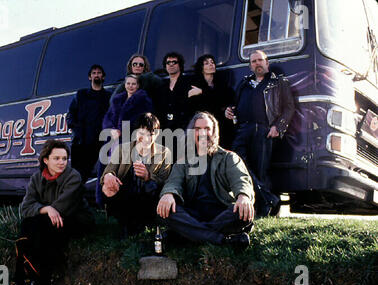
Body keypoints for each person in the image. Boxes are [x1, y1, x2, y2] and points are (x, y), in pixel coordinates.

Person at [2, 140, 95, 285]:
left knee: (37, 226)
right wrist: (45, 208)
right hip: (48, 219)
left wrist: (43, 209)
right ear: (46, 160)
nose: (61, 162)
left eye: (64, 159)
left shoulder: (73, 176)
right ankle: (25, 280)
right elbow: (25, 208)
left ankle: (33, 279)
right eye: (56, 158)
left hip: (77, 220)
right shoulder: (37, 178)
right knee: (28, 225)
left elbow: (62, 208)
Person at [156, 112, 254, 249]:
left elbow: (241, 180)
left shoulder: (229, 158)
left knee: (241, 212)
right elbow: (173, 182)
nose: (203, 133)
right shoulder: (183, 161)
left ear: (214, 132)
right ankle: (222, 240)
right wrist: (168, 194)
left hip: (221, 212)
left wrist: (243, 196)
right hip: (193, 214)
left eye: (207, 129)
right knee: (167, 212)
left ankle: (187, 235)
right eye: (198, 129)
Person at [225, 50, 296, 217]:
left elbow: (289, 108)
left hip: (263, 130)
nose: (257, 63)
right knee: (240, 166)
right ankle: (270, 199)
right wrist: (228, 111)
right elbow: (235, 105)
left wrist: (278, 127)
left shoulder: (278, 82)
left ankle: (262, 211)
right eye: (254, 61)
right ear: (250, 66)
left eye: (260, 60)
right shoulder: (244, 83)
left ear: (267, 63)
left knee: (260, 170)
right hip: (242, 130)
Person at [101, 113, 172, 237]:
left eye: (151, 134)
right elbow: (108, 171)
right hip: (125, 194)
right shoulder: (123, 149)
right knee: (108, 187)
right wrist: (109, 176)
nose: (146, 138)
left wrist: (148, 176)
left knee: (151, 186)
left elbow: (166, 181)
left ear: (158, 134)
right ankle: (122, 223)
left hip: (148, 197)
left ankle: (145, 223)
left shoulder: (164, 152)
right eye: (142, 133)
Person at [96, 74, 154, 207]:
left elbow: (146, 121)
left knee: (127, 173)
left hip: (131, 141)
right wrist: (111, 129)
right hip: (114, 141)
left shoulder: (144, 100)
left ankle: (127, 205)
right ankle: (108, 202)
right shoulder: (117, 100)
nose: (131, 86)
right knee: (110, 168)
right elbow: (107, 118)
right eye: (128, 83)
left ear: (138, 85)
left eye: (134, 84)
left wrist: (130, 131)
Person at [66, 64, 111, 183]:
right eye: (94, 73)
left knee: (101, 177)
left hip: (99, 144)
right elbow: (71, 114)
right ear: (89, 77)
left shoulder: (108, 97)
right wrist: (76, 130)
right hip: (81, 143)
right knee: (76, 178)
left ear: (103, 77)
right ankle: (72, 200)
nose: (96, 75)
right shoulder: (81, 95)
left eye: (99, 73)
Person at [188, 54, 236, 149]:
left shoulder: (221, 83)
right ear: (201, 68)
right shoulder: (195, 84)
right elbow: (201, 106)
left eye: (212, 62)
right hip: (204, 125)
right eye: (206, 63)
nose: (211, 65)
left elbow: (226, 97)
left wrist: (202, 92)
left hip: (222, 124)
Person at [156, 52, 192, 131]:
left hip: (183, 128)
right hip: (165, 129)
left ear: (180, 65)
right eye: (168, 62)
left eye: (174, 62)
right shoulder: (162, 87)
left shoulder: (188, 83)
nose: (171, 64)